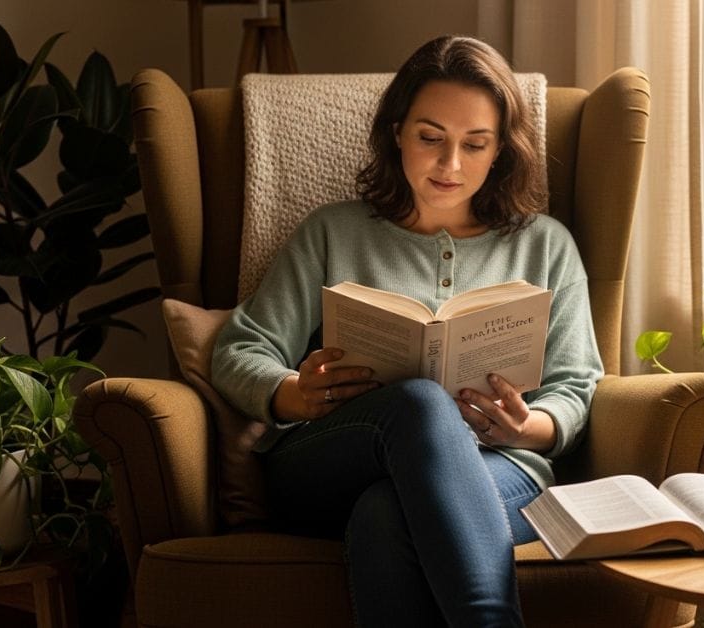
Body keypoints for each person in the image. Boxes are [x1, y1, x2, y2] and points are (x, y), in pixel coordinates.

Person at [211, 34, 603, 627]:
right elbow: (240, 349)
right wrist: (295, 391)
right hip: (329, 463)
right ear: (397, 131)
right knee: (418, 403)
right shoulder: (332, 232)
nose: (450, 165)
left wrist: (531, 425)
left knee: (385, 514)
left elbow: (576, 382)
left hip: (501, 467)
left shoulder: (545, 245)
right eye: (430, 138)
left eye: (475, 144)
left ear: (500, 150)